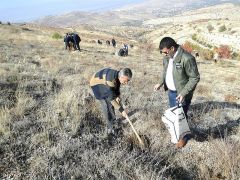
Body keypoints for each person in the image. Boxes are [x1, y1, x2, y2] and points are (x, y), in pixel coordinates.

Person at [154, 37, 200, 148]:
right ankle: (176, 133)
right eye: (162, 52)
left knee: (181, 116)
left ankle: (184, 138)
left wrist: (183, 93)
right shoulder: (167, 57)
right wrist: (160, 83)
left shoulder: (187, 58)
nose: (163, 54)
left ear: (172, 48)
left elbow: (194, 78)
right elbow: (165, 72)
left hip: (181, 94)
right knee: (174, 115)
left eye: (165, 52)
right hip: (171, 92)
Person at [90, 68, 132, 136]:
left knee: (111, 102)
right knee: (106, 104)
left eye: (128, 81)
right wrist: (122, 111)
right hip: (96, 84)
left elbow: (117, 85)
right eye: (126, 81)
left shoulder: (118, 75)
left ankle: (113, 121)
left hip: (104, 82)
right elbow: (112, 100)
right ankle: (111, 127)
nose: (126, 83)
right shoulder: (110, 81)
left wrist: (117, 95)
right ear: (121, 77)